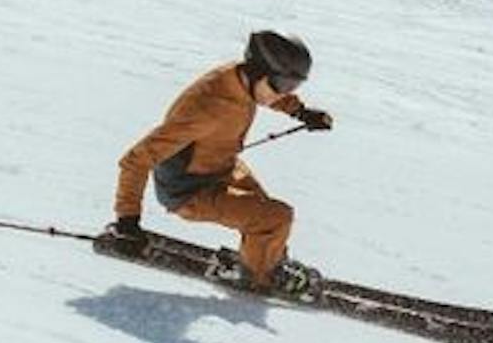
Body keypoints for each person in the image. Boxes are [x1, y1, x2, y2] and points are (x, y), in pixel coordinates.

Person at [110, 28, 333, 297]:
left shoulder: (241, 81)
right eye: (281, 86)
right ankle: (260, 277)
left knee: (268, 216)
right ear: (256, 73)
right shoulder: (207, 107)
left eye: (291, 87)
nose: (282, 93)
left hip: (221, 167)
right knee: (275, 218)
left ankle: (266, 261)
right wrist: (127, 222)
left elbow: (268, 95)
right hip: (189, 190)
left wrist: (300, 111)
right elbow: (135, 160)